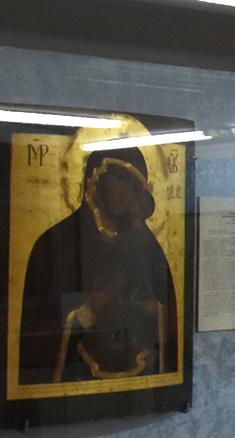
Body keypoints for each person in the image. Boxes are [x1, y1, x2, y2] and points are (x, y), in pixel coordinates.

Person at [17, 146, 180, 384]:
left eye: (135, 186)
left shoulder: (145, 245)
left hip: (141, 370)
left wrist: (156, 311)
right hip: (78, 372)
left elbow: (169, 310)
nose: (128, 192)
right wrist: (87, 311)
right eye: (121, 179)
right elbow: (37, 325)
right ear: (97, 178)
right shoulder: (59, 241)